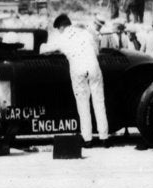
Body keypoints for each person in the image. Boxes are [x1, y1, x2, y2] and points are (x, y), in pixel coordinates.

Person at [39, 13, 109, 147]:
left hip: (77, 69)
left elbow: (45, 50)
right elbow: (96, 50)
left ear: (60, 27)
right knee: (99, 101)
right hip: (93, 66)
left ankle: (87, 139)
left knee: (83, 104)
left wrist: (42, 46)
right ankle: (104, 137)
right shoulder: (85, 33)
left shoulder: (61, 38)